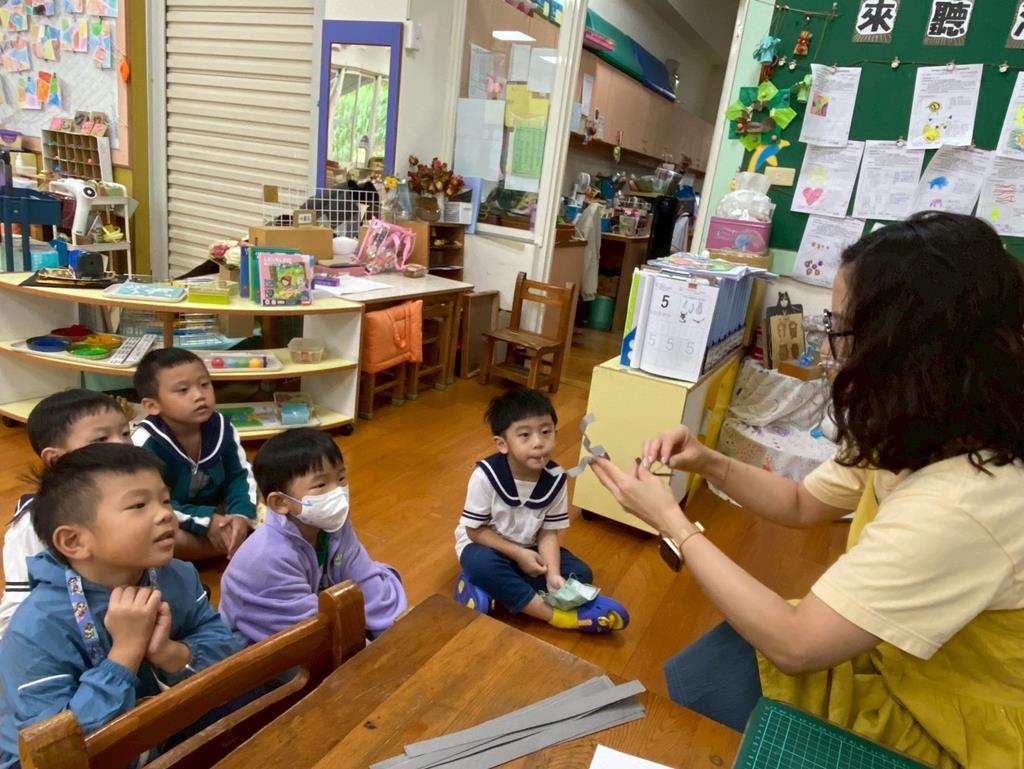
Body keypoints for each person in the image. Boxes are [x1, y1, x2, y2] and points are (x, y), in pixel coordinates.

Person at [591, 212, 1024, 768]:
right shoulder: (919, 429)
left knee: (721, 692)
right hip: (897, 656)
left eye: (840, 332)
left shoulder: (964, 502)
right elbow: (802, 502)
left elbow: (796, 645)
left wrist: (673, 523)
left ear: (907, 352)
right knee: (704, 673)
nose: (826, 352)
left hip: (956, 720)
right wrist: (708, 461)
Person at [0, 444, 239, 767]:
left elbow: (224, 645)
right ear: (74, 541)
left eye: (165, 500)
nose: (166, 514)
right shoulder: (35, 629)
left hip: (160, 733)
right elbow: (56, 748)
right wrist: (125, 654)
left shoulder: (177, 575)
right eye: (139, 505)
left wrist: (170, 653)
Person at [454, 389, 629, 633]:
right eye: (525, 435)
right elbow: (474, 531)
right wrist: (518, 554)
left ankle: (494, 589)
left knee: (580, 573)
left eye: (546, 432)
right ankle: (555, 616)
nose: (538, 442)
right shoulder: (485, 475)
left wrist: (553, 575)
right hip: (487, 546)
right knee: (481, 563)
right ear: (502, 444)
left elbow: (548, 533)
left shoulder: (556, 479)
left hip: (530, 548)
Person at [219, 428, 407, 643]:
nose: (337, 492)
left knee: (382, 578)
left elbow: (364, 577)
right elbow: (314, 634)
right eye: (321, 484)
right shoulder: (267, 557)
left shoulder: (333, 525)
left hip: (309, 615)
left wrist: (396, 634)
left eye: (341, 478)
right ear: (280, 503)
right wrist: (375, 653)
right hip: (259, 644)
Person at [0, 389, 132, 639]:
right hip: (69, 635)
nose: (122, 445)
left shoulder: (134, 495)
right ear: (55, 459)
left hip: (132, 611)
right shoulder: (32, 525)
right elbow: (13, 615)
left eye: (125, 433)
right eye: (100, 439)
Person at [132, 348, 256, 560]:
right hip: (172, 517)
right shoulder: (144, 443)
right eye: (183, 390)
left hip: (219, 513)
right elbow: (152, 503)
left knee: (260, 514)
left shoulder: (222, 428)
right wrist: (206, 520)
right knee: (154, 534)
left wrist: (239, 516)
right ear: (152, 406)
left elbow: (240, 476)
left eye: (205, 384)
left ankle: (230, 539)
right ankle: (230, 545)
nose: (199, 395)